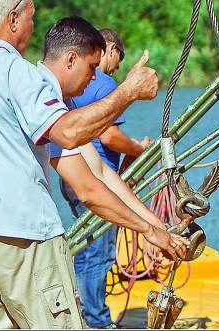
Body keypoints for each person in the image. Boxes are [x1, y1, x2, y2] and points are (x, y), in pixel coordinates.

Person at [0, 0, 187, 329]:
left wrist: (155, 227)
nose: (32, 28)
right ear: (13, 18)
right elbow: (72, 143)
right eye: (31, 18)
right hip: (22, 237)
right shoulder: (17, 72)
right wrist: (128, 92)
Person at [46, 26, 152, 328]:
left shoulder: (70, 89)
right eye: (115, 59)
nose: (107, 69)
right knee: (99, 253)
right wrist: (139, 148)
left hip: (70, 172)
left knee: (84, 246)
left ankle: (80, 311)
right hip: (92, 176)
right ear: (110, 49)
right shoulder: (104, 85)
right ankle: (97, 320)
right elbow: (109, 137)